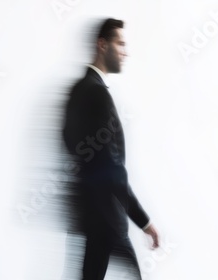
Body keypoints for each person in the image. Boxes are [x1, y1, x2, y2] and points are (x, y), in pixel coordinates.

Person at [61, 18, 159, 280]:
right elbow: (112, 169)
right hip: (106, 218)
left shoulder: (78, 90)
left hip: (90, 216)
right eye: (120, 43)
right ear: (102, 45)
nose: (125, 51)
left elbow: (70, 146)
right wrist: (144, 221)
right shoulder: (96, 94)